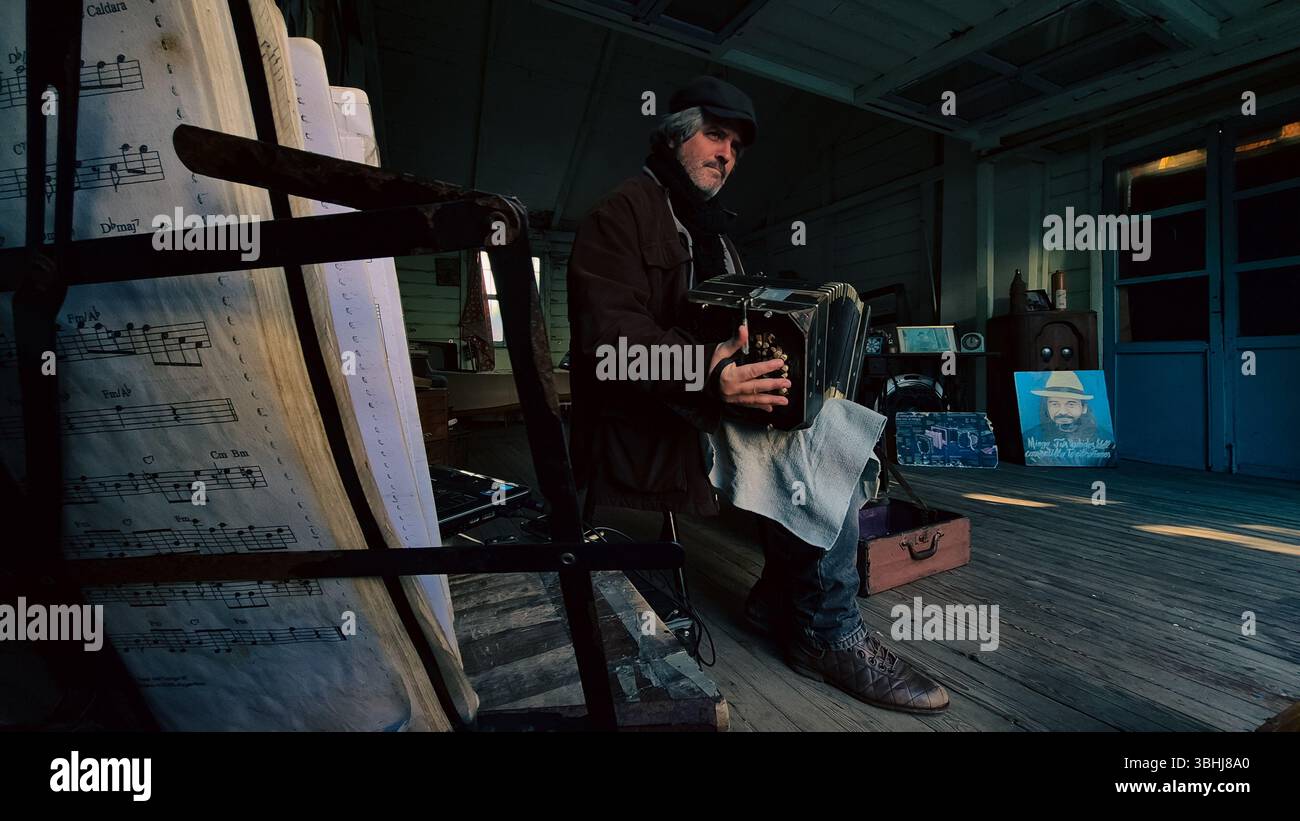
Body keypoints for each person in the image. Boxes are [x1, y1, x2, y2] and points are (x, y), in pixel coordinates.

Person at [567, 76, 949, 714]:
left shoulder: (717, 236)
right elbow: (607, 347)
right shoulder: (620, 214)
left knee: (838, 422)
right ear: (674, 134)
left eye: (736, 148)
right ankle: (828, 635)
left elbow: (742, 322)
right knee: (818, 442)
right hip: (652, 418)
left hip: (713, 405)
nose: (727, 155)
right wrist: (707, 374)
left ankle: (778, 599)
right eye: (716, 135)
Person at [1022, 371, 1116, 467]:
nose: (1063, 411)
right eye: (1055, 404)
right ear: (1047, 407)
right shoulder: (1029, 438)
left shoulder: (1106, 441)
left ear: (1084, 408)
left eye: (1071, 404)